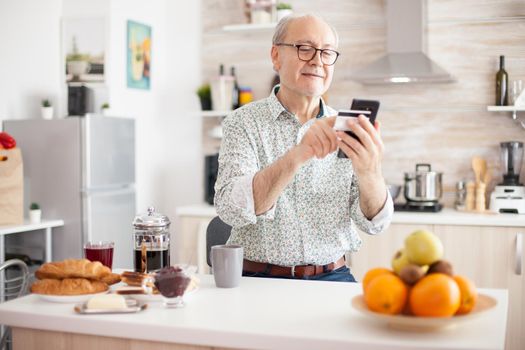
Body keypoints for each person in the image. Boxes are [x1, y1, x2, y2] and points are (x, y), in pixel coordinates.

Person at [214, 14, 393, 282]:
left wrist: (371, 172)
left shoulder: (347, 127)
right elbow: (231, 209)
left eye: (327, 52)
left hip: (333, 276)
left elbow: (374, 223)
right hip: (259, 277)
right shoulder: (242, 123)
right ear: (276, 56)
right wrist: (299, 154)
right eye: (304, 48)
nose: (318, 60)